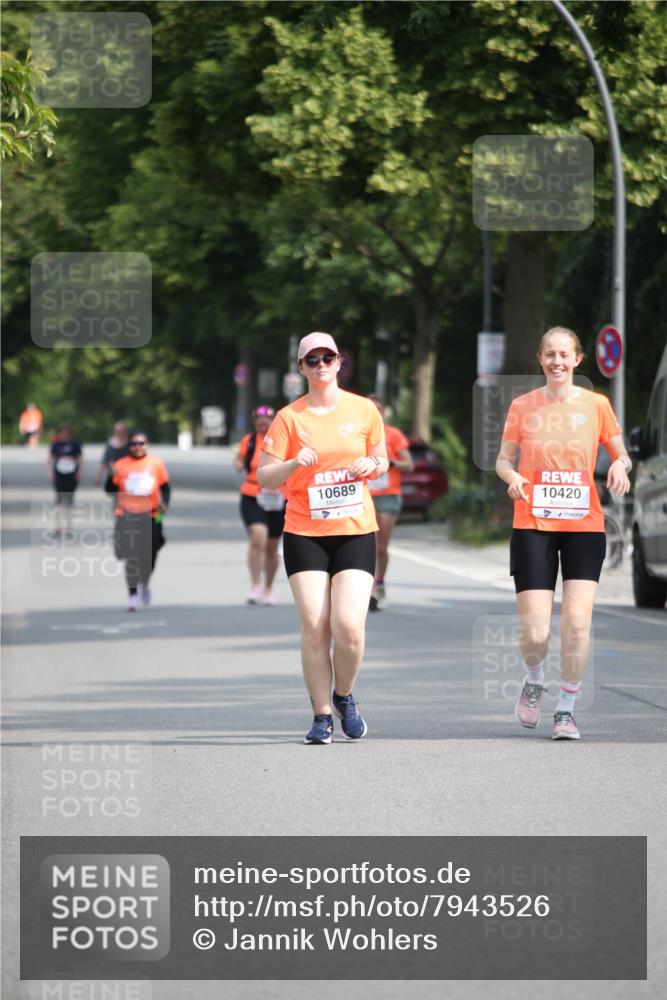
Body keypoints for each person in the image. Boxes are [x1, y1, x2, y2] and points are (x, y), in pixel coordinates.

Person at [495, 326, 631, 740]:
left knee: (576, 622)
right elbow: (503, 459)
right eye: (549, 354)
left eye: (564, 354)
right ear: (540, 359)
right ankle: (535, 677)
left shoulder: (596, 405)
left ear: (577, 360)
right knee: (536, 632)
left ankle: (566, 710)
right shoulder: (522, 405)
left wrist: (621, 466)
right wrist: (512, 476)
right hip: (533, 525)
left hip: (583, 526)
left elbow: (619, 451)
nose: (557, 361)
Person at [257, 332, 388, 744]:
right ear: (301, 368)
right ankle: (321, 716)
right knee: (315, 626)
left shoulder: (364, 410)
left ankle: (345, 696)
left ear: (338, 362)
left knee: (348, 626)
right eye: (311, 359)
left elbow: (382, 459)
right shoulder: (289, 418)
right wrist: (294, 462)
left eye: (326, 357)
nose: (320, 365)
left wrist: (371, 464)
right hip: (305, 531)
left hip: (354, 530)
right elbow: (264, 474)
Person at [106, 432, 170, 612]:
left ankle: (145, 582)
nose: (137, 446)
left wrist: (165, 504)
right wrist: (110, 477)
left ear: (146, 445)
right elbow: (110, 490)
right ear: (129, 446)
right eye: (133, 443)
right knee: (131, 556)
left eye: (141, 443)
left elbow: (166, 488)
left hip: (153, 514)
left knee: (151, 551)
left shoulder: (155, 463)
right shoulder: (120, 465)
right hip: (126, 514)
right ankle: (133, 595)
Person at [234, 405, 285, 605]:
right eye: (260, 420)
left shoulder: (284, 440)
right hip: (253, 494)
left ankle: (268, 587)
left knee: (272, 548)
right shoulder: (249, 441)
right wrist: (238, 464)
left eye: (268, 420)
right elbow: (239, 461)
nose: (264, 424)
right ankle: (255, 586)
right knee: (258, 537)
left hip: (279, 497)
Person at [367, 395, 413, 611]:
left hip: (388, 494)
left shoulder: (393, 435)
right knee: (368, 543)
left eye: (377, 408)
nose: (374, 411)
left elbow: (409, 465)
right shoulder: (358, 433)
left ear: (383, 412)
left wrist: (389, 462)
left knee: (381, 546)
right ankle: (368, 587)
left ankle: (380, 580)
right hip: (366, 494)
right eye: (370, 408)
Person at [47, 423, 84, 538]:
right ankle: (58, 527)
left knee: (69, 502)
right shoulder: (56, 445)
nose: (65, 435)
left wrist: (80, 472)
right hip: (59, 475)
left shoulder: (75, 445)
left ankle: (68, 527)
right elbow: (50, 459)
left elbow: (80, 459)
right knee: (59, 501)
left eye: (67, 433)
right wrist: (50, 472)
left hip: (71, 476)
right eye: (62, 433)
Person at [96, 422, 129, 488]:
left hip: (127, 475)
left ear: (125, 431)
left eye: (122, 431)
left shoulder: (130, 444)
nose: (120, 433)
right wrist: (99, 477)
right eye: (118, 431)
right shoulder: (110, 444)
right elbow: (104, 461)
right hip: (114, 475)